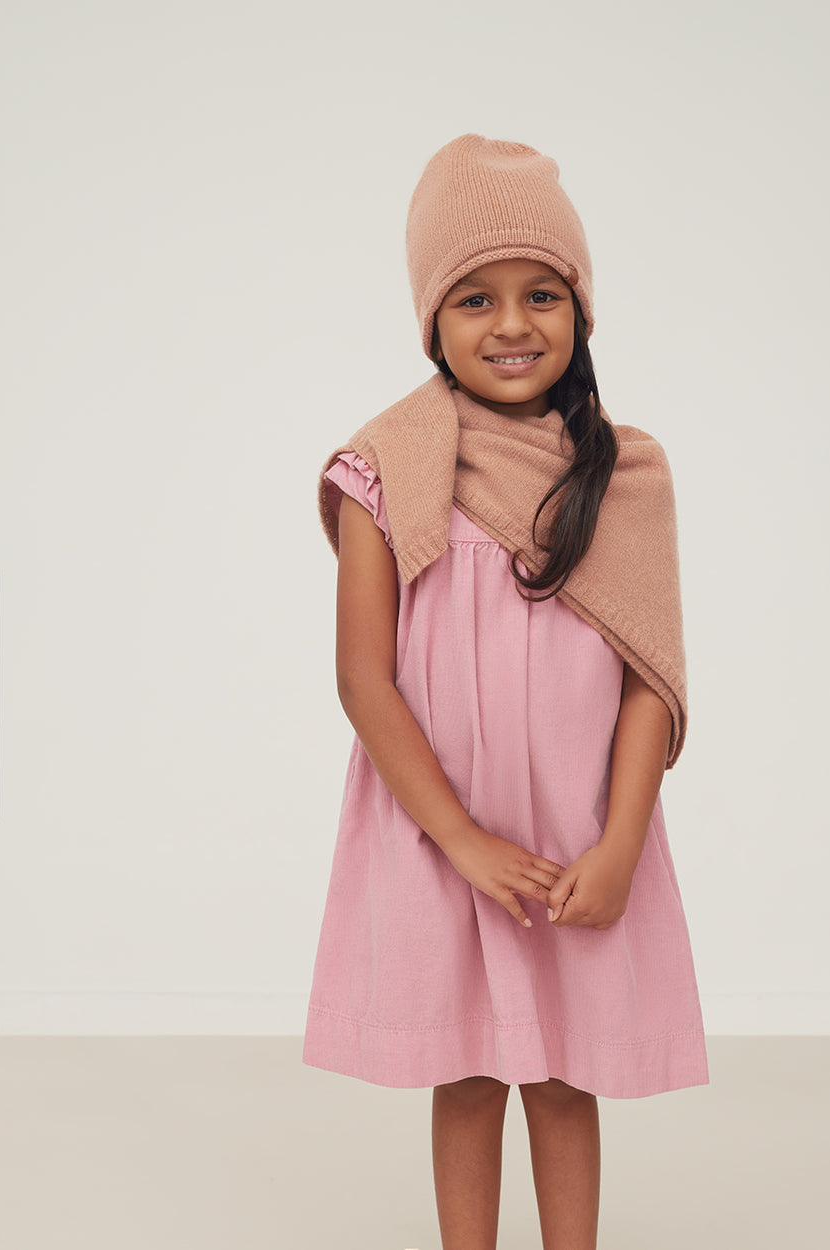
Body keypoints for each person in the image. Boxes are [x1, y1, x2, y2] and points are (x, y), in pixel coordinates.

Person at [303, 133, 709, 1250]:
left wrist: (621, 839)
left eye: (541, 293)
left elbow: (648, 679)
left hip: (569, 831)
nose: (512, 323)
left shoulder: (622, 475)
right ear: (431, 321)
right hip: (447, 828)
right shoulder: (386, 465)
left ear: (581, 310)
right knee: (472, 1071)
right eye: (474, 299)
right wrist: (462, 838)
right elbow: (362, 675)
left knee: (566, 1075)